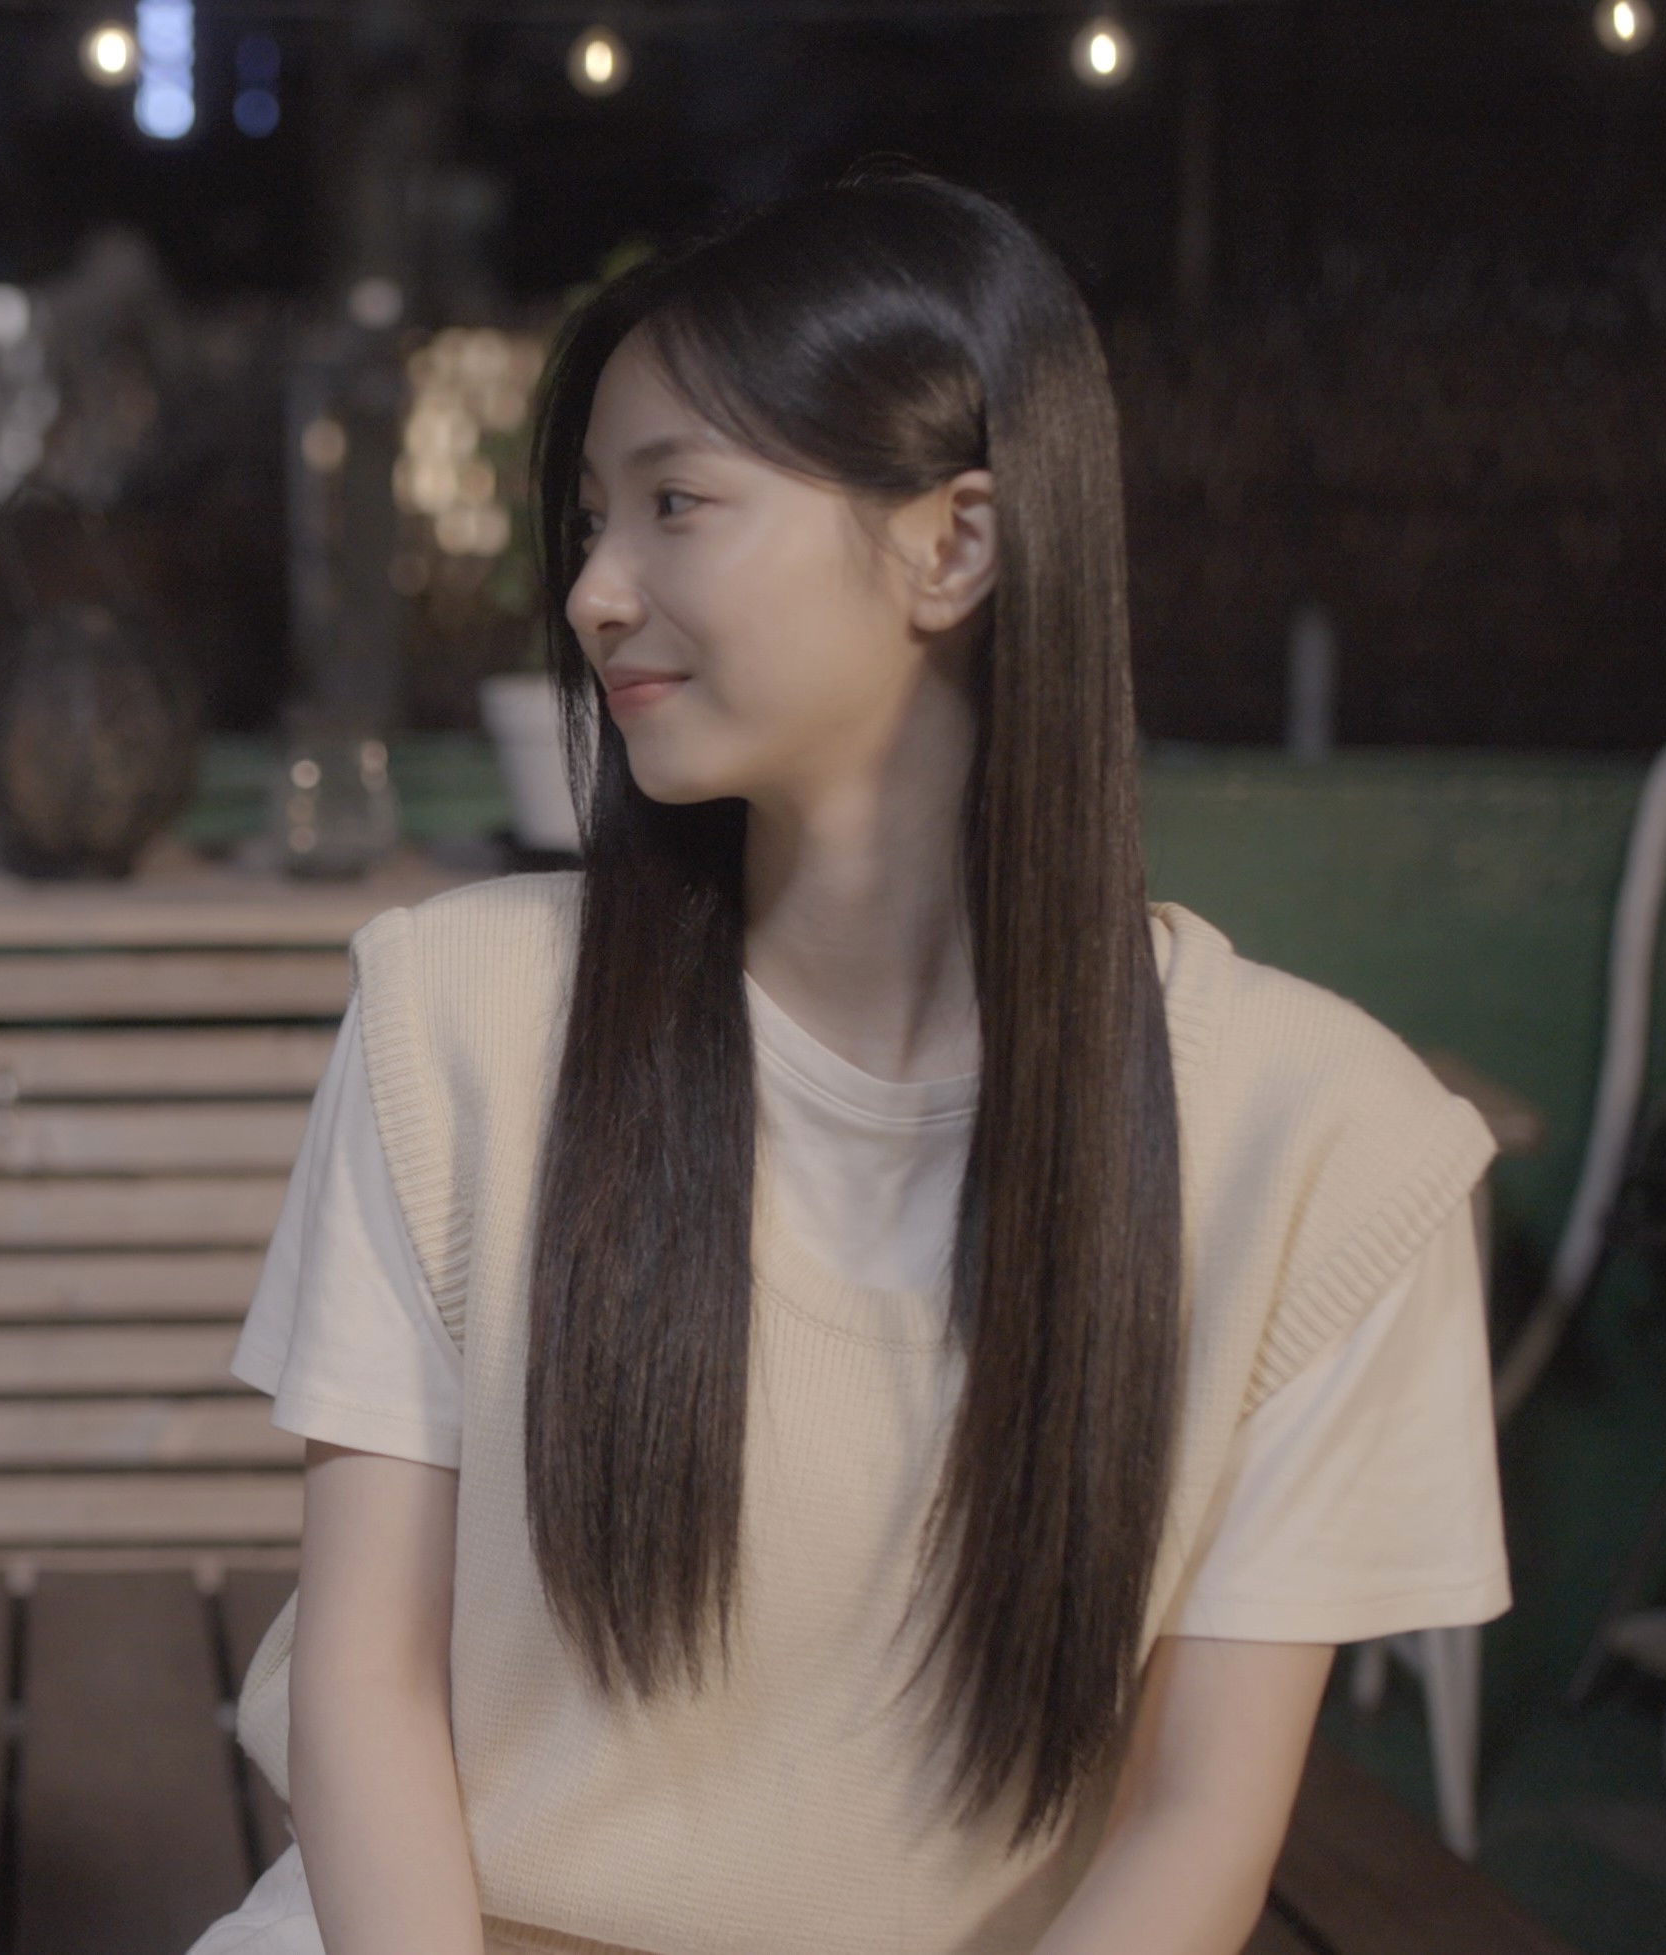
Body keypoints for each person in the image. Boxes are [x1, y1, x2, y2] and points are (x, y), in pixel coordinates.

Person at [194, 176, 1507, 1955]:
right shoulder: (459, 1018)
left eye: (674, 503)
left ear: (955, 547)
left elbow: (1197, 1821)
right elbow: (367, 1681)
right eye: (588, 523)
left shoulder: (1324, 1147)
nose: (593, 593)